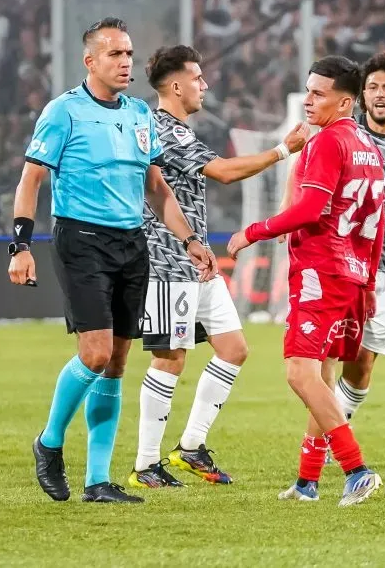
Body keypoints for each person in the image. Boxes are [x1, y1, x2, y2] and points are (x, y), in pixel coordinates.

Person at [8, 18, 218, 504]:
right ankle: (49, 442)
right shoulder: (64, 112)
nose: (125, 62)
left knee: (117, 362)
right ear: (90, 62)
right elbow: (31, 180)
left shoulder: (139, 116)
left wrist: (189, 239)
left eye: (128, 53)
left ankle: (98, 481)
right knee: (96, 352)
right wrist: (20, 246)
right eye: (114, 55)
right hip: (80, 238)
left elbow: (156, 187)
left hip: (132, 242)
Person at [126, 45, 307, 489]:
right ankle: (146, 464)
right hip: (166, 257)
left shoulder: (181, 129)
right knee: (170, 358)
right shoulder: (160, 128)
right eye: (197, 77)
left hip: (197, 258)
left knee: (234, 348)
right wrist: (283, 149)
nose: (204, 85)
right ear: (175, 85)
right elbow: (223, 172)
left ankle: (190, 447)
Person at [227, 55, 385, 507]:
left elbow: (310, 210)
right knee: (323, 375)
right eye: (308, 90)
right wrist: (370, 284)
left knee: (300, 373)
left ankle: (357, 469)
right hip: (352, 277)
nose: (309, 100)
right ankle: (308, 481)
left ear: (346, 101)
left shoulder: (327, 143)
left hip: (322, 272)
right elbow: (377, 222)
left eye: (319, 93)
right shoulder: (368, 147)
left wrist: (252, 232)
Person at [283, 51, 385, 424]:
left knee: (360, 365)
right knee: (321, 360)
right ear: (360, 95)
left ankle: (333, 433)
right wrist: (287, 214)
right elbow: (303, 173)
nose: (379, 93)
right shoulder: (342, 133)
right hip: (333, 263)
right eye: (372, 86)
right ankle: (330, 448)